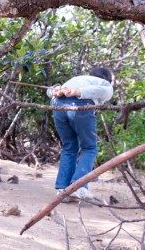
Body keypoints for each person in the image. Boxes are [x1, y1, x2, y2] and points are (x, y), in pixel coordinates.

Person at [47, 66, 114, 201]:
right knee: (89, 147)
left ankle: (62, 190)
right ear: (108, 79)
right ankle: (78, 187)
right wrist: (78, 92)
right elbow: (105, 91)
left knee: (69, 147)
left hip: (57, 104)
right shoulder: (104, 83)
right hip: (80, 105)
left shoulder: (77, 79)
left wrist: (54, 91)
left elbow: (51, 91)